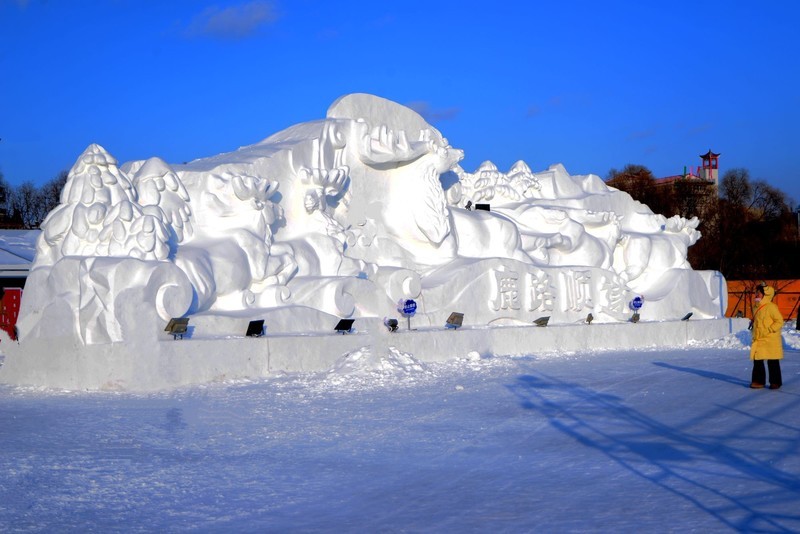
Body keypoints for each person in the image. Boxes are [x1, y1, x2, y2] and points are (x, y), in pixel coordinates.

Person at [749, 284, 784, 389]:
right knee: (757, 359)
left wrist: (769, 330)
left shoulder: (771, 307)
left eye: (758, 292)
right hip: (759, 338)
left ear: (765, 295)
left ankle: (775, 382)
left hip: (770, 339)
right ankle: (758, 381)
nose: (756, 294)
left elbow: (779, 321)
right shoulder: (756, 307)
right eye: (756, 292)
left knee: (772, 360)